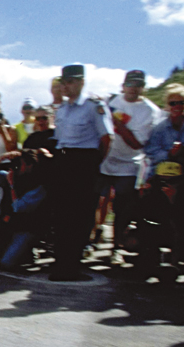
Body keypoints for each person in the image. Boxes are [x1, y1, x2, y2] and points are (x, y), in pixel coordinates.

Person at [49, 64, 114, 281]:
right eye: (64, 82)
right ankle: (60, 264)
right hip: (63, 162)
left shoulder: (93, 106)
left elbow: (106, 139)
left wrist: (94, 164)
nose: (65, 86)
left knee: (81, 216)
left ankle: (71, 266)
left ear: (81, 82)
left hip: (84, 163)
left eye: (70, 82)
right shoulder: (63, 109)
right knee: (61, 215)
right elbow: (59, 139)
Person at [96, 70, 160, 264]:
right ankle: (91, 240)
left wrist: (114, 121)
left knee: (122, 208)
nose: (133, 88)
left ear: (143, 88)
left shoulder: (149, 110)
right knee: (96, 201)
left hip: (129, 164)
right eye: (130, 84)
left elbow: (136, 143)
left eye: (138, 85)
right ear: (123, 86)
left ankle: (116, 247)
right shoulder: (111, 101)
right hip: (105, 160)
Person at [144, 83, 184, 180]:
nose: (177, 106)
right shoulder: (159, 127)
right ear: (167, 105)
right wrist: (169, 154)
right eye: (173, 103)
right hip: (163, 172)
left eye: (181, 103)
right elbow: (151, 151)